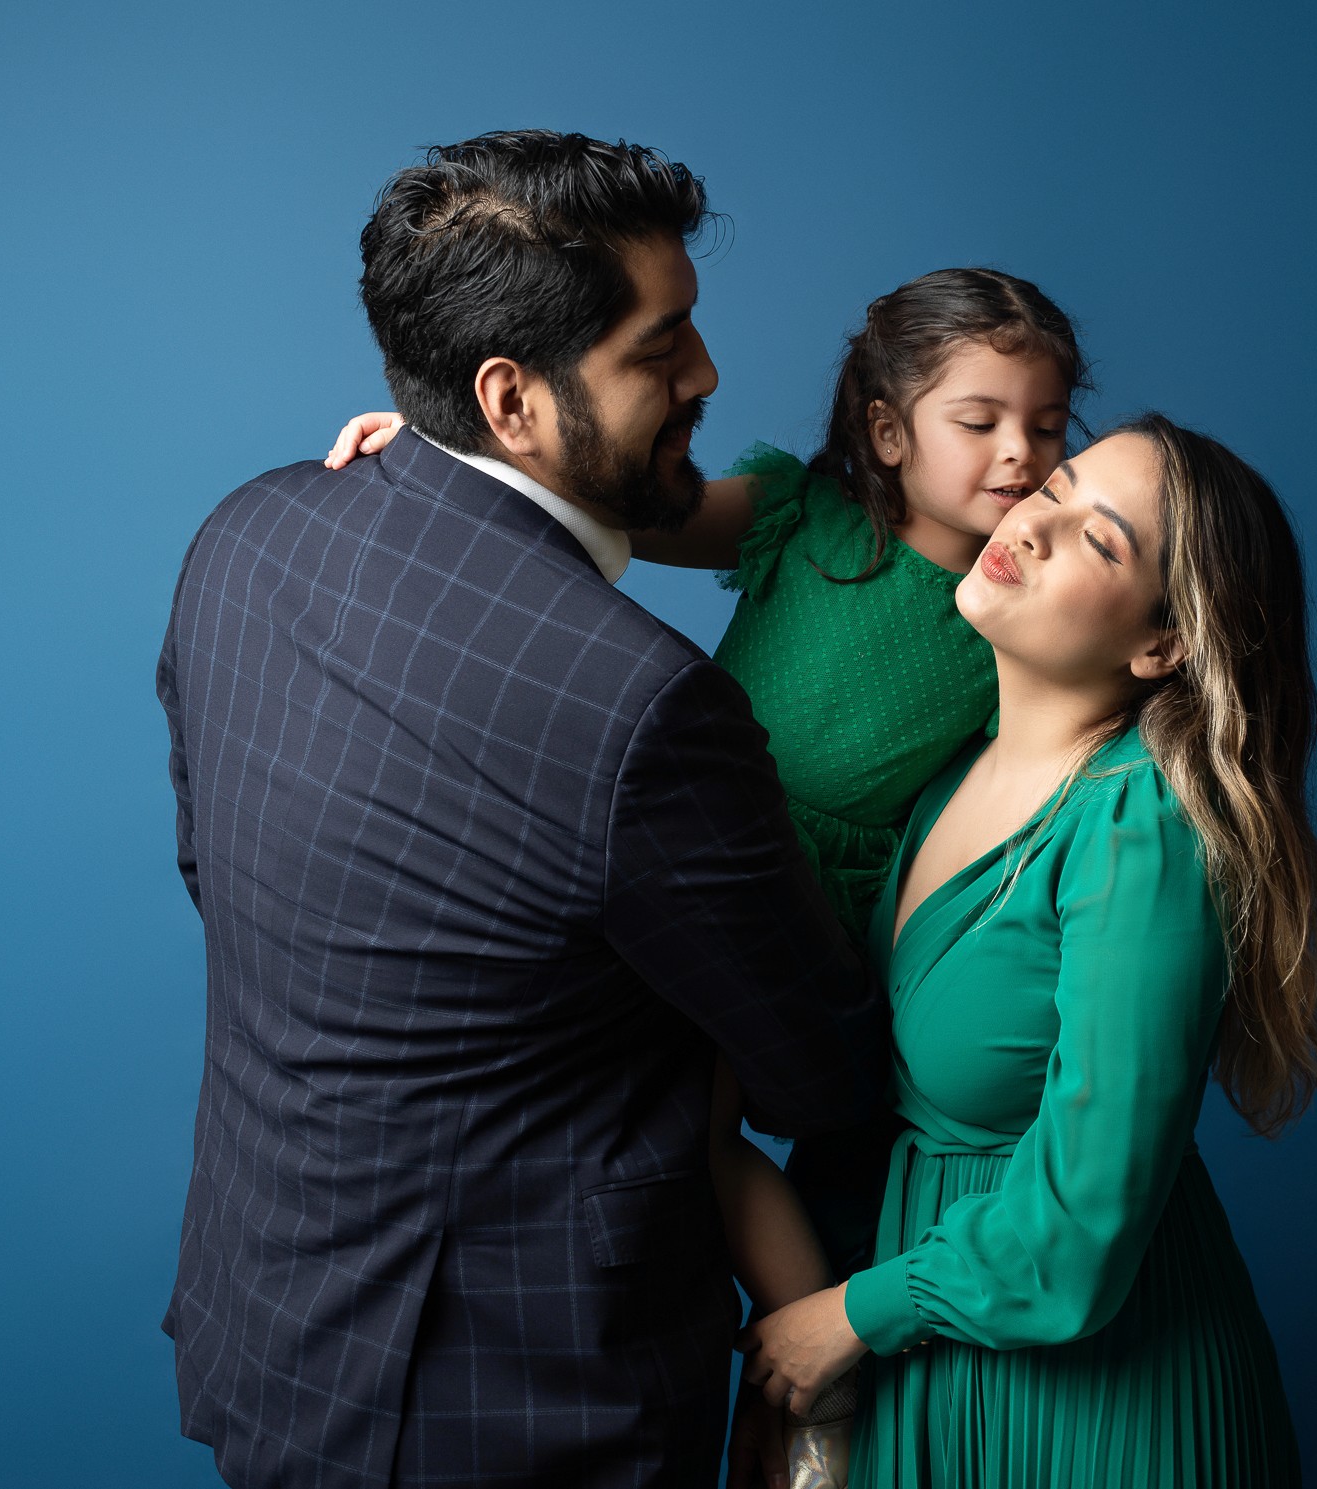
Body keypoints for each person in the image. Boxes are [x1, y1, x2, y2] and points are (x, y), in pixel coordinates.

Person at [155, 130, 887, 1489]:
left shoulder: (247, 533)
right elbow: (821, 1071)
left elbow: (224, 875)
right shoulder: (641, 706)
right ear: (513, 400)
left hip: (274, 1346)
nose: (708, 374)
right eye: (660, 347)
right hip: (528, 1410)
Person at [326, 268, 1088, 1480]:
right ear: (888, 432)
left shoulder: (1032, 602)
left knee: (716, 1127)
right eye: (980, 421)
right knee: (652, 1116)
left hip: (809, 895)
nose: (1019, 454)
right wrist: (443, 460)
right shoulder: (804, 518)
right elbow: (609, 506)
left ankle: (816, 1394)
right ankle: (790, 1372)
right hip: (681, 835)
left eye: (1046, 428)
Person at [735, 416, 1317, 1487]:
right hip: (921, 1355)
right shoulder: (940, 773)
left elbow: (1083, 1225)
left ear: (1160, 646)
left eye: (1098, 540)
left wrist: (851, 1317)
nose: (1033, 522)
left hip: (1096, 1405)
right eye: (1051, 488)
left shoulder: (1140, 828)